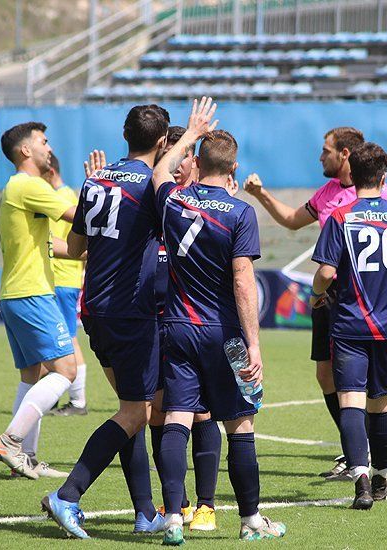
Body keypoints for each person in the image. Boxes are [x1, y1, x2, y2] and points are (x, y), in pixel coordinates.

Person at [153, 98, 286, 545]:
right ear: (233, 168)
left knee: (176, 417)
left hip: (177, 326)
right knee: (240, 425)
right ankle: (251, 520)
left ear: (197, 160)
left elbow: (159, 172)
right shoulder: (240, 211)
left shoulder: (172, 200)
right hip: (224, 333)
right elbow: (244, 281)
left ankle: (173, 516)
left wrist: (189, 132)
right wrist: (254, 344)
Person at [42, 105, 169, 539]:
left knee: (129, 409)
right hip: (131, 310)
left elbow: (75, 247)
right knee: (137, 411)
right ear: (162, 141)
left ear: (124, 135)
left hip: (95, 308)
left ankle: (145, 513)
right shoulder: (152, 186)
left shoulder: (96, 179)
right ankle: (68, 494)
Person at [244, 127, 387, 481]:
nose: (320, 157)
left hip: (363, 302)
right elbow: (293, 221)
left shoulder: (384, 196)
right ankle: (354, 449)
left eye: (326, 150)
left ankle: (368, 450)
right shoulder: (329, 192)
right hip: (332, 300)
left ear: (345, 154)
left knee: (369, 390)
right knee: (326, 375)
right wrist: (261, 194)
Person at [310, 142, 387, 510]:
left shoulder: (340, 217)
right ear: (384, 175)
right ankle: (381, 478)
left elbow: (326, 272)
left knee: (351, 404)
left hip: (348, 325)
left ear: (352, 175)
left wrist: (317, 294)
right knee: (383, 406)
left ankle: (359, 474)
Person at [0, 122, 78, 480]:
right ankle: (11, 440)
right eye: (43, 140)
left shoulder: (19, 187)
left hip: (17, 292)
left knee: (34, 374)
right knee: (66, 370)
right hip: (31, 292)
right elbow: (76, 215)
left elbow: (58, 241)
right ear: (25, 150)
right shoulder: (28, 185)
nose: (48, 146)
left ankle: (24, 457)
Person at [149, 125, 222, 532]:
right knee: (160, 415)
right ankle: (174, 502)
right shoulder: (158, 202)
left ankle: (206, 506)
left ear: (196, 161)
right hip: (157, 324)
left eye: (184, 157)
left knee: (202, 412)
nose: (176, 166)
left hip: (199, 325)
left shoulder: (210, 205)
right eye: (171, 159)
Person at [43, 152, 88, 417]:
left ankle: (78, 400)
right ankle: (61, 396)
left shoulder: (58, 200)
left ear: (50, 173)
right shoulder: (70, 197)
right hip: (67, 279)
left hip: (61, 279)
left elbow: (58, 243)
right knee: (64, 337)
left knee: (68, 338)